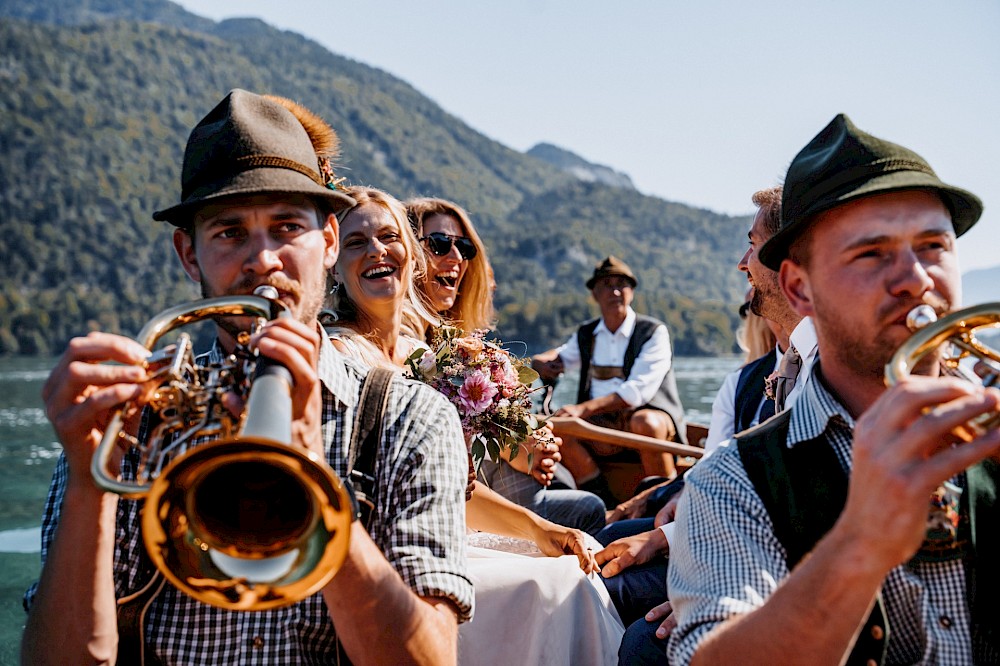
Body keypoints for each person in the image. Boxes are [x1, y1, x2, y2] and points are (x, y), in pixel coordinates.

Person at [21, 90, 473, 664]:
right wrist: (91, 484)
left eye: (286, 227)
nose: (263, 259)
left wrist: (313, 481)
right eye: (230, 233)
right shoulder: (133, 424)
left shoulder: (413, 418)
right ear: (190, 256)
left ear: (329, 241)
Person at [668, 114, 1000, 665]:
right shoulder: (730, 483)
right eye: (871, 252)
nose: (916, 278)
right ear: (799, 288)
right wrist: (859, 547)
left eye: (933, 245)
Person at [329, 189, 625, 665]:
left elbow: (452, 491)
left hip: (447, 528)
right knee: (558, 584)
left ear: (409, 252)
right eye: (356, 243)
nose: (377, 251)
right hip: (392, 553)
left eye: (388, 237)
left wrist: (542, 530)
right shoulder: (340, 356)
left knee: (573, 566)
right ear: (332, 263)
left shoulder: (423, 355)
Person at [407, 196, 606, 535]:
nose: (455, 257)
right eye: (439, 244)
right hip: (460, 511)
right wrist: (516, 450)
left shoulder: (456, 343)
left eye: (465, 248)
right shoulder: (412, 351)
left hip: (494, 494)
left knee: (580, 496)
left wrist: (531, 436)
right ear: (407, 255)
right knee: (591, 510)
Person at [533, 256, 688, 504]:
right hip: (601, 424)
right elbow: (562, 357)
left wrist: (582, 409)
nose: (614, 291)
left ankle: (662, 497)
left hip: (643, 419)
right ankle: (597, 498)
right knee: (560, 429)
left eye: (621, 284)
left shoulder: (653, 331)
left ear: (632, 292)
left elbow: (638, 392)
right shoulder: (587, 334)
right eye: (606, 284)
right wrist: (541, 361)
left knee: (646, 422)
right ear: (595, 294)